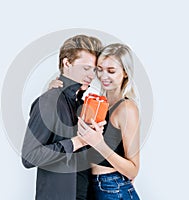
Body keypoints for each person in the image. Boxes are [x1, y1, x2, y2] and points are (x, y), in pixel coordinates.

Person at [49, 43, 141, 199]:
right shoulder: (96, 103)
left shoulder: (127, 109)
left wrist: (99, 144)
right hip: (91, 186)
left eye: (111, 71)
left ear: (125, 73)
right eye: (100, 69)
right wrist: (52, 93)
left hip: (113, 189)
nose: (103, 76)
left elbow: (133, 170)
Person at [21, 34, 104, 200]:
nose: (91, 75)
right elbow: (29, 157)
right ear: (67, 63)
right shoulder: (48, 102)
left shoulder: (80, 103)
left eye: (94, 70)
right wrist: (78, 142)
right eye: (86, 68)